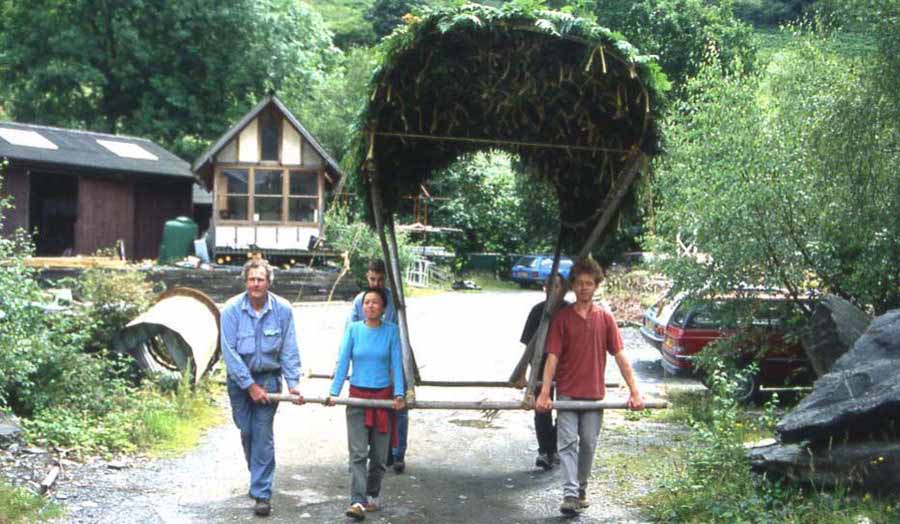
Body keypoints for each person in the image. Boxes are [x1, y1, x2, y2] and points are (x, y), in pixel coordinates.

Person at [535, 257, 644, 516]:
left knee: (589, 444)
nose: (584, 288)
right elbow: (552, 357)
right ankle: (570, 494)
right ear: (572, 286)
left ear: (596, 286)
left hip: (594, 395)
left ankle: (581, 488)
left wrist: (635, 391)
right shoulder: (562, 318)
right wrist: (543, 392)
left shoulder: (605, 318)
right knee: (567, 444)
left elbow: (620, 355)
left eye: (589, 283)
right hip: (568, 393)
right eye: (580, 283)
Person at [220, 258, 304, 518]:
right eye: (251, 279)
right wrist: (249, 386)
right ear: (246, 282)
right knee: (247, 432)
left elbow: (289, 348)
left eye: (260, 279)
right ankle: (257, 475)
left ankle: (262, 493)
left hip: (268, 380)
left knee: (262, 435)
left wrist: (293, 384)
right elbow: (230, 352)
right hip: (239, 382)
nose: (256, 284)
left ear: (269, 282)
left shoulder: (283, 310)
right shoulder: (231, 309)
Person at [327, 287, 406, 521]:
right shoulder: (353, 330)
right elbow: (343, 362)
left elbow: (396, 364)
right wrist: (333, 392)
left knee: (380, 457)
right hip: (357, 398)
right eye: (366, 302)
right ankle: (357, 501)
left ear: (383, 308)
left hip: (383, 399)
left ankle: (372, 493)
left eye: (375, 302)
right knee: (358, 453)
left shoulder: (391, 331)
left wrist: (399, 394)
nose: (370, 306)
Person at [346, 259, 409, 474]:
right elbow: (350, 334)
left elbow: (398, 333)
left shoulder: (393, 300)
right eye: (373, 279)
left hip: (390, 356)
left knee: (399, 405)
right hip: (368, 360)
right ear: (367, 277)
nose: (376, 284)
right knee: (361, 409)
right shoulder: (359, 301)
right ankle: (361, 454)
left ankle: (397, 452)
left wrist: (396, 371)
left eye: (380, 280)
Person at [520, 273, 569, 470]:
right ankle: (545, 451)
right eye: (549, 286)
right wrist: (522, 373)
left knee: (566, 408)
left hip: (566, 367)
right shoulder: (537, 311)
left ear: (563, 289)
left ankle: (554, 448)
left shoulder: (569, 311)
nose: (552, 290)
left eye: (557, 286)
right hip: (540, 366)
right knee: (541, 409)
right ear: (545, 289)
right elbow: (527, 345)